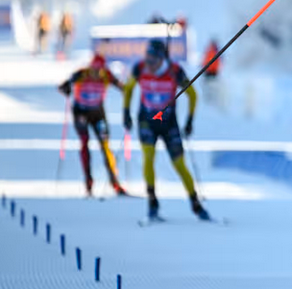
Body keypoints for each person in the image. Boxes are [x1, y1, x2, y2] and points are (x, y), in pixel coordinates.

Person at [122, 39, 208, 221]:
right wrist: (126, 112)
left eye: (153, 60)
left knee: (179, 164)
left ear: (162, 59)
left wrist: (190, 120)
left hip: (169, 124)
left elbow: (192, 94)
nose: (149, 65)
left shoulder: (174, 71)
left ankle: (196, 204)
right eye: (147, 59)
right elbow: (128, 89)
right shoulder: (140, 68)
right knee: (148, 158)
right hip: (147, 121)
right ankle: (152, 203)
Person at [59, 53, 127, 197]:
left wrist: (126, 90)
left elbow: (122, 87)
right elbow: (63, 86)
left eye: (99, 70)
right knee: (85, 142)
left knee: (105, 145)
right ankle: (88, 183)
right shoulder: (82, 74)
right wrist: (66, 89)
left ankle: (115, 183)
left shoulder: (106, 75)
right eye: (94, 70)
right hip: (81, 113)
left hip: (97, 113)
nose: (97, 73)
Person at [202, 39, 222, 107]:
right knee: (211, 86)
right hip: (212, 72)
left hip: (211, 72)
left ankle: (211, 97)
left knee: (210, 86)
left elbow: (205, 61)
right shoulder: (214, 52)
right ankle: (210, 97)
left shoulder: (210, 51)